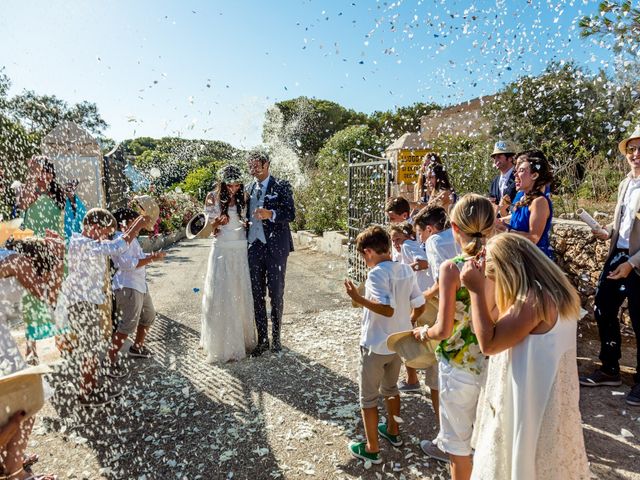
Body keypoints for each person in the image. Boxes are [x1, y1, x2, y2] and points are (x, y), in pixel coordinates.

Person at [461, 233, 590, 479]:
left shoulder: (535, 300)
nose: (494, 284)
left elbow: (489, 343)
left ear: (509, 271)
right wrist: (485, 280)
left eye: (495, 277)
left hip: (530, 400)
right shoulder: (551, 290)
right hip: (541, 393)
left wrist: (476, 291)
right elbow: (494, 316)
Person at [412, 194, 495, 480]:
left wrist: (424, 331)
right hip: (492, 365)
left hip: (458, 367)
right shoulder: (503, 265)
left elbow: (443, 330)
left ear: (455, 228)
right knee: (487, 441)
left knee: (459, 449)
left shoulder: (452, 268)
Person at [344, 226, 425, 465]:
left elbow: (387, 308)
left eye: (362, 256)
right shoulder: (404, 270)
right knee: (391, 389)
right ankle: (393, 431)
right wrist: (409, 320)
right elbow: (419, 304)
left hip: (375, 345)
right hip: (397, 343)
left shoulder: (377, 273)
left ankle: (372, 448)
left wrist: (358, 299)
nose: (363, 261)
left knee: (368, 399)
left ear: (368, 252)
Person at [60, 208, 147, 406]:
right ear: (94, 227)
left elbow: (114, 243)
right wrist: (138, 225)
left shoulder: (83, 241)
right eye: (105, 233)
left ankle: (90, 386)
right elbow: (118, 245)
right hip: (82, 303)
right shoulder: (85, 244)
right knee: (89, 349)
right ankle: (87, 394)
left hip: (82, 301)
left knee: (89, 347)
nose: (105, 238)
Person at [580, 126, 640, 407]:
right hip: (619, 254)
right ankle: (609, 369)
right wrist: (607, 232)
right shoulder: (625, 183)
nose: (636, 155)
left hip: (636, 261)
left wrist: (632, 263)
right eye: (632, 149)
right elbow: (624, 225)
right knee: (603, 307)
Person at [0, 233, 64, 480]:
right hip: (2, 349)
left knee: (13, 411)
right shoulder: (21, 262)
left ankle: (12, 460)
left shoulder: (12, 259)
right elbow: (49, 296)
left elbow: (48, 288)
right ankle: (16, 472)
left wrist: (56, 258)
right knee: (23, 408)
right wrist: (58, 256)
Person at [412, 204, 459, 463]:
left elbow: (445, 281)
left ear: (429, 229)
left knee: (443, 379)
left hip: (449, 315)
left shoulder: (434, 242)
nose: (420, 238)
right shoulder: (456, 235)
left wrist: (423, 298)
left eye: (420, 233)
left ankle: (447, 443)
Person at [200, 165, 257, 363]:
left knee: (239, 290)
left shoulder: (245, 195)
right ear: (223, 183)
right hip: (222, 248)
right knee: (222, 291)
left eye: (236, 184)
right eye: (229, 185)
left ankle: (241, 340)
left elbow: (248, 219)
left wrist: (247, 224)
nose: (233, 188)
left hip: (240, 247)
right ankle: (222, 344)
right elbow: (205, 228)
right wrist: (217, 223)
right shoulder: (211, 196)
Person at [246, 150, 295, 356]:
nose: (253, 168)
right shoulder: (248, 188)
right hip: (253, 248)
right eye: (250, 165)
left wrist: (270, 214)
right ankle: (262, 340)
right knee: (256, 295)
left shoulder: (281, 185)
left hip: (276, 249)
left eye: (256, 164)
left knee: (276, 293)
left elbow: (290, 213)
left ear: (267, 164)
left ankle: (276, 338)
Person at [17, 155, 66, 364]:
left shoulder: (58, 193)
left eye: (47, 170)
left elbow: (63, 220)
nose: (43, 174)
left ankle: (60, 340)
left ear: (52, 173)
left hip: (53, 247)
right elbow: (22, 203)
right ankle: (31, 350)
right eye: (39, 170)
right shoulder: (28, 189)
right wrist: (34, 181)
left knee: (57, 298)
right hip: (31, 248)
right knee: (31, 298)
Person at [105, 208, 166, 374]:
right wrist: (152, 258)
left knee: (148, 316)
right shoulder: (119, 238)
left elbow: (137, 257)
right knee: (127, 325)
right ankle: (110, 360)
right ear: (125, 222)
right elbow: (127, 264)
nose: (138, 225)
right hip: (128, 286)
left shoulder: (131, 239)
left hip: (139, 284)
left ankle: (137, 347)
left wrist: (151, 255)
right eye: (135, 221)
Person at [389, 222, 428, 393]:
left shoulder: (408, 245)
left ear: (408, 236)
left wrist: (402, 272)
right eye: (393, 241)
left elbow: (423, 263)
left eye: (398, 239)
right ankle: (412, 377)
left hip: (417, 298)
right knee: (408, 336)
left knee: (407, 337)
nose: (397, 244)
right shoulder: (403, 249)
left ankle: (413, 379)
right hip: (412, 298)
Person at [496, 150, 554, 259]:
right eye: (516, 170)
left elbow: (533, 238)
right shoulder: (523, 200)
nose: (515, 174)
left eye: (521, 170)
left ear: (535, 175)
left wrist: (504, 229)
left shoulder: (539, 202)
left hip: (534, 262)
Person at [488, 140, 517, 217]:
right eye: (494, 157)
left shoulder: (519, 178)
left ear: (510, 158)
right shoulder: (494, 181)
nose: (495, 160)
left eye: (499, 157)